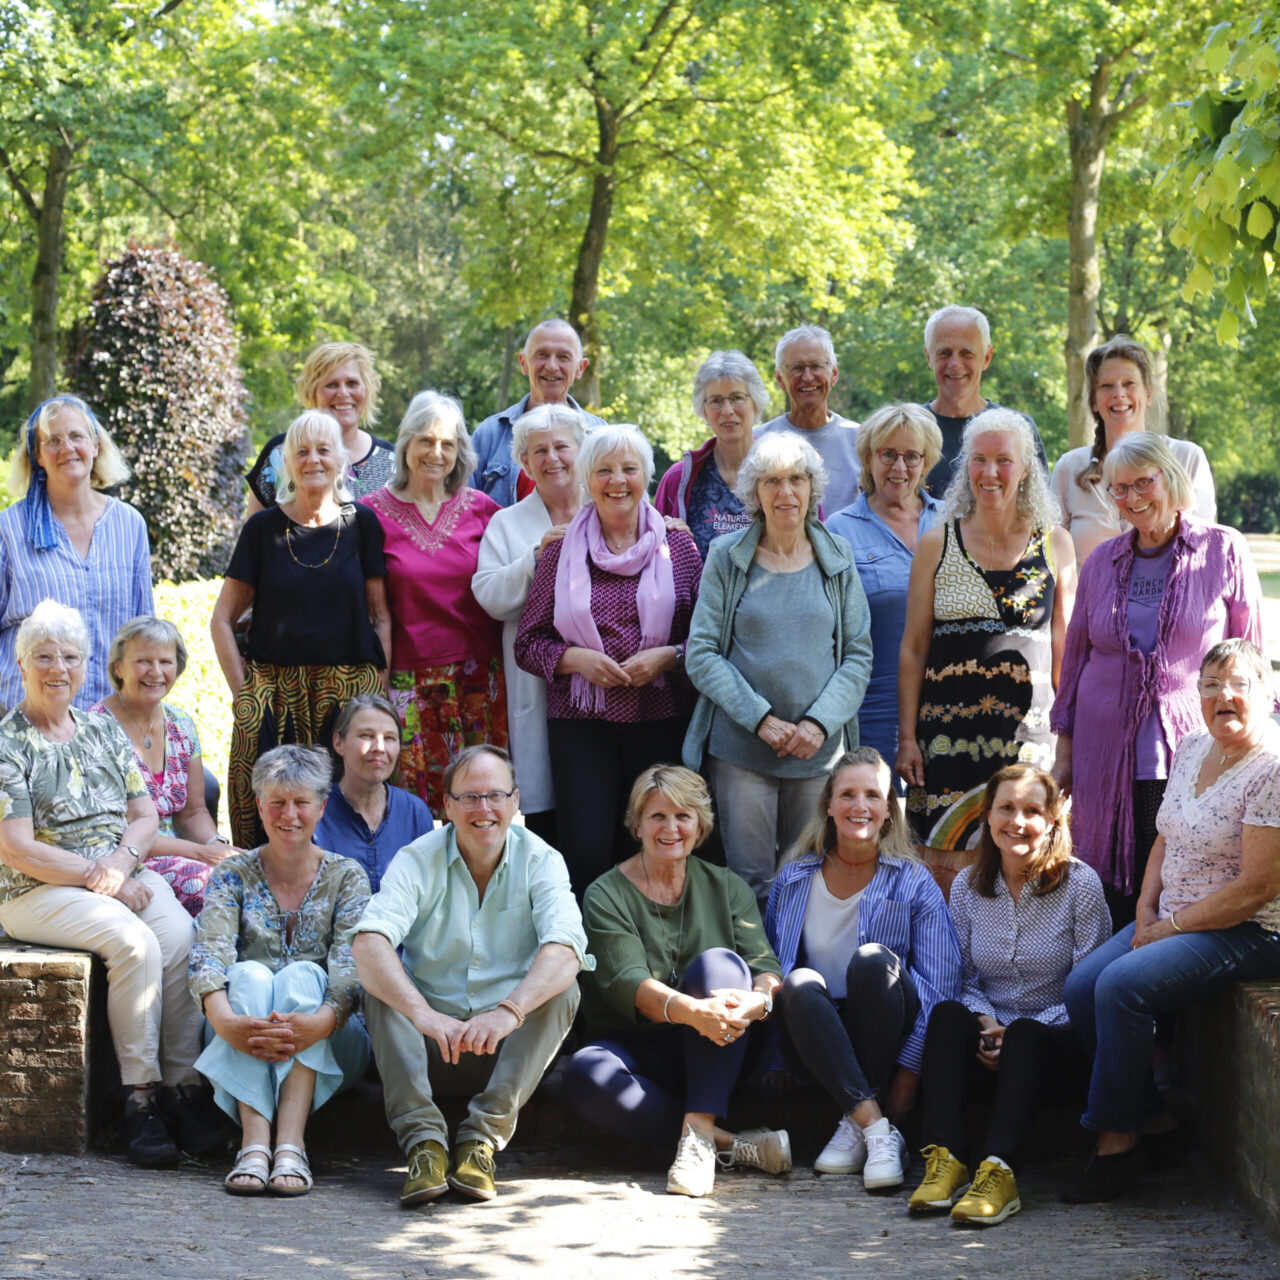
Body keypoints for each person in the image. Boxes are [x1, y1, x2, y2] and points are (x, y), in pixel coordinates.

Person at [1061, 640, 1280, 1203]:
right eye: (1211, 685)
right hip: (1172, 914)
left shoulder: (1273, 768)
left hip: (1249, 928)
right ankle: (1155, 1123)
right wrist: (1144, 908)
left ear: (1268, 694)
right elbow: (1166, 835)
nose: (1224, 696)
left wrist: (1171, 927)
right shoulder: (1191, 745)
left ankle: (1116, 1145)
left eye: (1239, 684)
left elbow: (1256, 888)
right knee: (1082, 986)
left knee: (1121, 987)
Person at [0, 601, 216, 1168]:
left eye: (71, 657)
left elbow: (144, 815)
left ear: (86, 665)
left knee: (179, 937)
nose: (59, 668)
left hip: (121, 871)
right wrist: (104, 878)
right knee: (134, 943)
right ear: (21, 664)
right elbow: (17, 848)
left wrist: (120, 864)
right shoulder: (8, 741)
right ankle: (138, 1100)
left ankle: (182, 1088)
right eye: (44, 656)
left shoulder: (100, 730)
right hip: (34, 890)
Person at [351, 746, 588, 1205]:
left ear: (515, 801)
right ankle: (424, 1145)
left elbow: (567, 947)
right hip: (427, 1046)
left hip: (504, 1050)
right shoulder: (416, 858)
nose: (484, 808)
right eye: (469, 797)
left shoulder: (541, 859)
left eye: (495, 795)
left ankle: (480, 1143)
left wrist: (509, 1011)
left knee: (563, 988)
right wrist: (421, 1013)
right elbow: (369, 942)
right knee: (380, 987)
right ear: (447, 805)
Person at [1050, 432, 1262, 926]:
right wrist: (1064, 756)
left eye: (1143, 482)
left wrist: (1253, 750)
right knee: (1104, 890)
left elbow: (1250, 657)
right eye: (1119, 488)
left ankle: (1161, 969)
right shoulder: (1101, 561)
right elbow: (1075, 661)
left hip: (1191, 751)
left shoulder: (1222, 549)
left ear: (1170, 479)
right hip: (1103, 755)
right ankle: (1107, 971)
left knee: (1181, 883)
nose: (1132, 497)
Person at [565, 765, 789, 1199]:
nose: (671, 828)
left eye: (683, 816)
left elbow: (765, 967)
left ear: (700, 825)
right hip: (639, 1049)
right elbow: (629, 983)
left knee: (721, 965)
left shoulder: (727, 886)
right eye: (657, 816)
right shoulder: (604, 894)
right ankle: (725, 1142)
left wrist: (759, 1001)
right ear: (637, 825)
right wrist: (693, 1011)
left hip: (719, 1046)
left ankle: (698, 1136)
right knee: (585, 1074)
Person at [908, 764, 1109, 1225]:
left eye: (1032, 811)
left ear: (1052, 821)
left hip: (1057, 1050)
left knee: (1026, 1035)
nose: (1017, 821)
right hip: (990, 1046)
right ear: (987, 816)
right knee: (947, 1015)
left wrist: (1016, 1032)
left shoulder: (1080, 885)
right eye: (1006, 808)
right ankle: (946, 1161)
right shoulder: (967, 886)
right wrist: (987, 1025)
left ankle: (1000, 1170)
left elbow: (1087, 990)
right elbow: (964, 978)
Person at [683, 433, 872, 905]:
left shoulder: (837, 557)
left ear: (812, 488)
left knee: (808, 880)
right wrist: (762, 720)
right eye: (771, 481)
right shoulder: (727, 556)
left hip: (817, 753)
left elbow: (857, 655)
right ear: (756, 492)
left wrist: (817, 724)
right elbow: (701, 653)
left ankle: (800, 958)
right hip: (742, 749)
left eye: (796, 479)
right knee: (750, 885)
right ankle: (755, 959)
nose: (785, 492)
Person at [515, 424, 701, 897]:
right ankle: (588, 942)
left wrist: (669, 657)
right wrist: (575, 659)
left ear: (647, 476)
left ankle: (653, 938)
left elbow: (708, 641)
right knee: (587, 849)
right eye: (604, 470)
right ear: (586, 479)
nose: (617, 480)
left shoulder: (678, 547)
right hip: (582, 725)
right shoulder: (559, 550)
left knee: (655, 844)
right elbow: (527, 643)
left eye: (629, 469)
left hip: (662, 719)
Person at [766, 749, 960, 1190]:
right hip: (818, 1035)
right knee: (798, 981)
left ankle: (856, 1122)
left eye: (873, 795)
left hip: (888, 1033)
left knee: (874, 960)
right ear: (828, 806)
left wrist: (909, 1075)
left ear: (889, 809)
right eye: (848, 794)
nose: (860, 806)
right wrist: (775, 1058)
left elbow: (940, 986)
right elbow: (774, 970)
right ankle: (875, 1128)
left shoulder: (913, 880)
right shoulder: (793, 878)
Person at [897, 409, 1076, 867]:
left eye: (1004, 460)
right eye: (979, 459)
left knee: (1027, 862)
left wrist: (1067, 744)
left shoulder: (1055, 544)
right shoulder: (936, 544)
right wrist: (907, 739)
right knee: (945, 864)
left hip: (1029, 739)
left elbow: (1067, 655)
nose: (990, 472)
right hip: (945, 742)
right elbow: (914, 649)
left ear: (1026, 469)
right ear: (966, 467)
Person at [190, 745, 372, 1197]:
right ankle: (254, 1143)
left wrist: (321, 1021)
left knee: (301, 976)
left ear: (322, 806)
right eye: (277, 802)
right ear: (258, 805)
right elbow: (209, 956)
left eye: (301, 802)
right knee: (249, 976)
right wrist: (226, 1022)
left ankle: (291, 1143)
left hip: (332, 1038)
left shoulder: (347, 876)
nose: (289, 815)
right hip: (237, 1032)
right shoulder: (232, 874)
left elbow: (352, 969)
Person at [211, 410, 390, 849]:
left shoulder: (362, 523)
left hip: (348, 693)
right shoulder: (262, 529)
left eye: (323, 450)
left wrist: (379, 695)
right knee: (276, 814)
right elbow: (222, 619)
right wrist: (244, 695)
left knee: (348, 815)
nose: (313, 460)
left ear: (340, 460)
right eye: (302, 451)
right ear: (288, 463)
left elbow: (380, 616)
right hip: (276, 692)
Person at [361, 391, 506, 819]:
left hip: (479, 680)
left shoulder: (483, 509)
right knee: (416, 809)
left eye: (447, 443)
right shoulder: (370, 514)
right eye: (425, 440)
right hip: (408, 682)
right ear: (406, 443)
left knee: (480, 805)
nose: (436, 453)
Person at [472, 403, 590, 846]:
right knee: (552, 821)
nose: (552, 458)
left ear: (582, 451)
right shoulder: (507, 524)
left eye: (562, 447)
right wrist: (534, 559)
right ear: (524, 462)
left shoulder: (609, 507)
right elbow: (489, 596)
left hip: (603, 685)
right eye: (539, 451)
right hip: (539, 687)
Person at [0, 395, 152, 711]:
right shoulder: (9, 529)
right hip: (27, 718)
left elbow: (143, 631)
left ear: (95, 446)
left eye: (76, 436)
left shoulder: (129, 525)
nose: (67, 448)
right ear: (37, 455)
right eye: (53, 440)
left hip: (110, 719)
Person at [89, 617, 237, 917]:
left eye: (165, 662)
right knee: (216, 885)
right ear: (118, 668)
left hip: (185, 855)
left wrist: (217, 846)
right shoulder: (95, 729)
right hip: (126, 860)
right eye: (143, 661)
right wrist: (202, 854)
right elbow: (114, 831)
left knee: (254, 873)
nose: (156, 672)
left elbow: (193, 812)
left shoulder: (182, 724)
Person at [826, 404, 944, 780]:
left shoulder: (955, 521)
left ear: (926, 462)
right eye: (888, 454)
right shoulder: (839, 530)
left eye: (912, 456)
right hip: (874, 711)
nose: (899, 467)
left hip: (951, 706)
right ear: (868, 458)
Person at [1051, 335, 1216, 566]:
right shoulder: (1069, 468)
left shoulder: (1187, 458)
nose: (1118, 393)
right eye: (1106, 386)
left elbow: (1202, 550)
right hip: (1088, 591)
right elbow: (1050, 557)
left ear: (1148, 394)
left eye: (1129, 383)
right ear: (1094, 402)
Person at [245, 342, 394, 513]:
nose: (343, 393)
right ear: (312, 392)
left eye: (352, 383)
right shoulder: (279, 453)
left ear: (367, 390)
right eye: (332, 384)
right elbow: (253, 528)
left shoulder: (392, 462)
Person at [470, 319, 604, 507]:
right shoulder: (490, 434)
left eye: (563, 357)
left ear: (580, 368)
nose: (551, 366)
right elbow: (464, 511)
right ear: (523, 363)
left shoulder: (600, 436)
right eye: (542, 355)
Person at [919, 306, 1047, 496]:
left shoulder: (1017, 430)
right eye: (944, 352)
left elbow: (1039, 505)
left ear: (986, 357)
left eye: (966, 353)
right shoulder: (909, 429)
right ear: (929, 357)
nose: (955, 364)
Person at [314, 694, 435, 894]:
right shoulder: (315, 813)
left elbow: (431, 893)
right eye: (366, 735)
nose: (379, 748)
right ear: (338, 743)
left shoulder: (415, 813)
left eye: (389, 738)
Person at [654, 350, 766, 557]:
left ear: (756, 405)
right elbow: (654, 553)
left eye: (737, 398)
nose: (727, 410)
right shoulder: (677, 479)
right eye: (715, 401)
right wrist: (668, 534)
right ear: (704, 411)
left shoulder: (787, 473)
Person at [755, 325, 861, 513]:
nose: (808, 377)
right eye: (796, 368)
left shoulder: (862, 441)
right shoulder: (757, 442)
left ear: (834, 374)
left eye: (816, 366)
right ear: (780, 379)